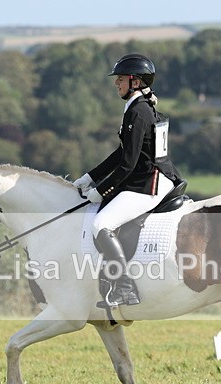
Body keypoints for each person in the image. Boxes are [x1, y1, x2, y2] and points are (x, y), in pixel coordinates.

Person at [74, 53, 181, 308]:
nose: (116, 83)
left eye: (121, 79)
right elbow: (122, 152)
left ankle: (124, 288)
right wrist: (90, 177)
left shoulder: (138, 111)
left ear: (135, 81)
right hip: (150, 176)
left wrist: (101, 190)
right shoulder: (139, 106)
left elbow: (128, 164)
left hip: (150, 182)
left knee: (101, 224)